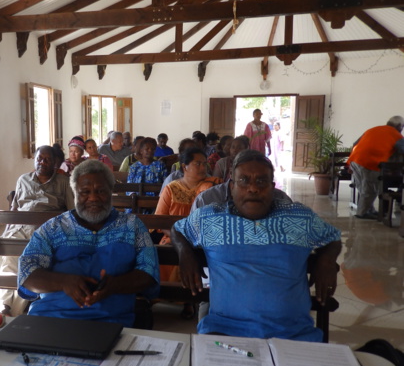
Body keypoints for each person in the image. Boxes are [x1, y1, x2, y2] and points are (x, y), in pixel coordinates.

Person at [171, 150, 341, 342]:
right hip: (224, 331)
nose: (253, 188)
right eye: (244, 181)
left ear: (272, 186)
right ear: (232, 187)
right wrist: (185, 252)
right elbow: (178, 230)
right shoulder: (210, 218)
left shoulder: (300, 217)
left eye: (261, 181)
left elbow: (332, 237)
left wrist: (326, 260)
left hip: (293, 334)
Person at [17, 159, 160, 327]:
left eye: (101, 191)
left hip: (110, 323)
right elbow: (26, 273)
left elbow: (149, 272)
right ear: (74, 193)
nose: (93, 198)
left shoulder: (132, 226)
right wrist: (63, 282)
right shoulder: (53, 228)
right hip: (50, 320)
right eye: (84, 192)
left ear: (111, 191)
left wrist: (115, 285)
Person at [0, 146, 75, 317]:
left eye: (47, 159)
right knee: (9, 260)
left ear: (54, 163)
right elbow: (15, 208)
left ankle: (13, 311)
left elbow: (71, 211)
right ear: (34, 160)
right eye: (39, 158)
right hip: (20, 227)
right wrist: (8, 230)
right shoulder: (23, 179)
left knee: (30, 263)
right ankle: (3, 306)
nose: (42, 162)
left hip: (45, 230)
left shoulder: (63, 182)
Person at [155, 147, 222, 289]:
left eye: (205, 163)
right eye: (198, 164)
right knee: (167, 251)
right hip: (173, 237)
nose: (203, 167)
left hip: (205, 238)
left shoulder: (214, 184)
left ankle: (198, 298)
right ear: (185, 166)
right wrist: (179, 237)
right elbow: (160, 221)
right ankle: (171, 295)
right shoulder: (171, 188)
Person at [348, 116, 404, 219]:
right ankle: (362, 213)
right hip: (370, 162)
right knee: (371, 190)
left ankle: (370, 210)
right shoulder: (397, 136)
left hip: (355, 160)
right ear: (399, 126)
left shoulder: (373, 129)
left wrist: (349, 163)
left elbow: (355, 144)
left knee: (363, 188)